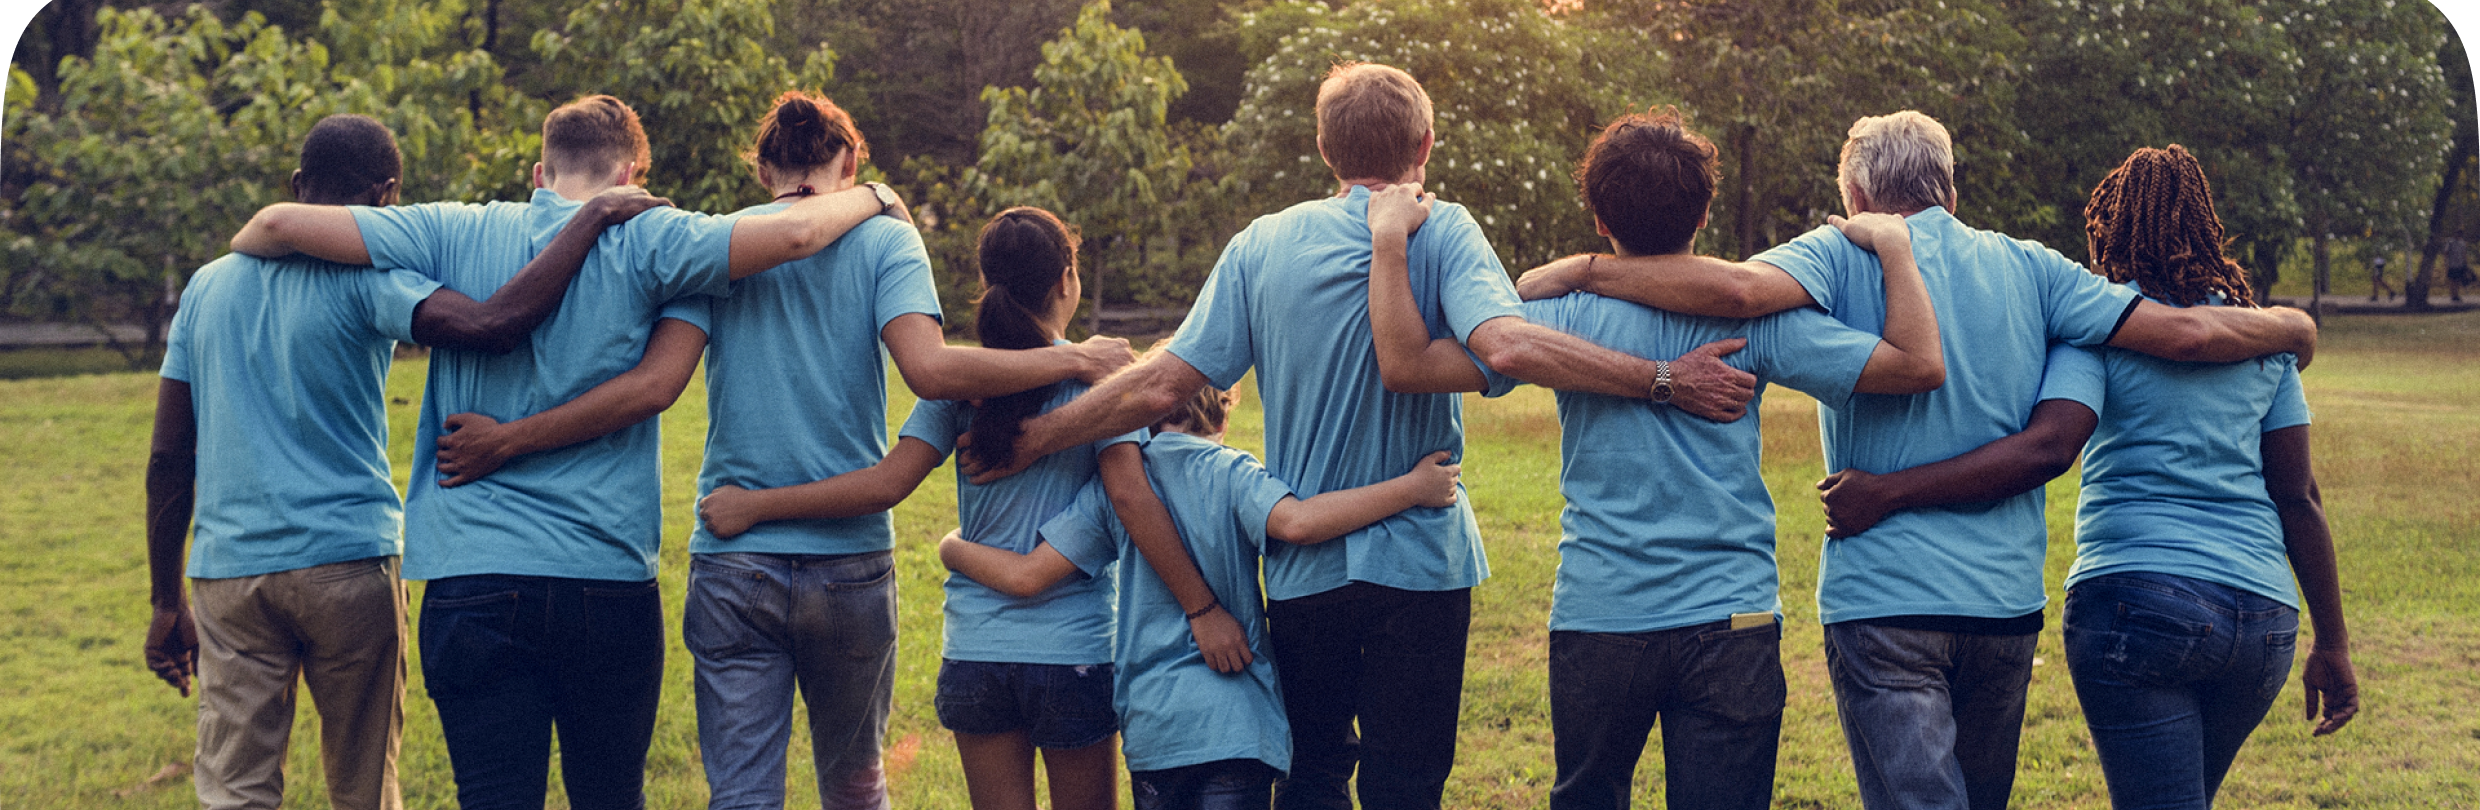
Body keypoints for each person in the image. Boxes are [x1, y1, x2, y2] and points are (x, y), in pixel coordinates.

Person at [961, 62, 1756, 810]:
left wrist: (1039, 435)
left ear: (1323, 149)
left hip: (1309, 567)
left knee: (1311, 775)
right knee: (1406, 781)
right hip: (1423, 562)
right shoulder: (1442, 231)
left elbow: (1166, 383)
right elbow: (1507, 346)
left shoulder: (1262, 244)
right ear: (1424, 147)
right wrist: (1662, 378)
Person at [1510, 111, 2319, 810]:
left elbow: (1734, 293)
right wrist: (2291, 327)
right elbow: (2183, 336)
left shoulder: (1831, 254)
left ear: (1856, 197)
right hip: (2000, 602)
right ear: (1951, 190)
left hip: (1871, 596)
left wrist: (1586, 270)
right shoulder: (2036, 269)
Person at [226, 95, 897, 810]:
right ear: (633, 172)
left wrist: (232, 266)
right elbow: (794, 237)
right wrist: (876, 197)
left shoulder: (450, 228)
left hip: (471, 576)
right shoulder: (656, 237)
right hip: (602, 578)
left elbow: (271, 224)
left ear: (540, 172)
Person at [1363, 108, 1943, 810]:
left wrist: (1392, 247)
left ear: (1600, 216)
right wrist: (1896, 252)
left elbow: (1413, 361)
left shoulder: (1556, 318)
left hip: (1600, 611)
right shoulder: (1749, 321)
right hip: (1734, 615)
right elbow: (1914, 364)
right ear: (1703, 214)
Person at [145, 113, 667, 810]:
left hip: (229, 574)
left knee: (235, 789)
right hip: (348, 562)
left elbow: (167, 457)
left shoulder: (205, 289)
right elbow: (492, 326)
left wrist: (163, 599)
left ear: (299, 185)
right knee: (363, 786)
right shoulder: (373, 282)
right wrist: (594, 216)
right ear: (388, 195)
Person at [642, 92, 1129, 810]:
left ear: (763, 169)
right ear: (852, 160)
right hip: (849, 566)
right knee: (856, 791)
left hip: (732, 560)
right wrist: (1074, 361)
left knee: (741, 795)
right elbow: (930, 370)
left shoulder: (723, 244)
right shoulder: (886, 241)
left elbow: (662, 378)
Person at [939, 385, 1462, 810]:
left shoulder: (1116, 486)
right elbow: (1298, 523)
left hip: (1155, 729)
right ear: (1219, 419)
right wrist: (1412, 488)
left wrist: (953, 548)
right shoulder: (1230, 471)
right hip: (1236, 723)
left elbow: (1032, 574)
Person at [2050, 145, 2359, 808]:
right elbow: (2299, 496)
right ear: (2205, 224)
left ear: (2111, 228)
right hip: (2262, 621)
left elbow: (2055, 442)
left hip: (2137, 602)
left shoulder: (2100, 323)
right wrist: (2332, 640)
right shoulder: (2264, 340)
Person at [2445, 236, 2472, 302]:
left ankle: (2456, 295)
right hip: (2452, 264)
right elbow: (2446, 252)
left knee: (2458, 280)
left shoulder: (2462, 243)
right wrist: (2446, 262)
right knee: (2452, 280)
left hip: (2460, 264)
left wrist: (2465, 263)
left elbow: (2464, 254)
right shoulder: (2450, 242)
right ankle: (2452, 295)